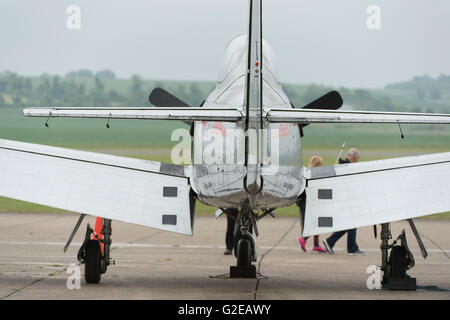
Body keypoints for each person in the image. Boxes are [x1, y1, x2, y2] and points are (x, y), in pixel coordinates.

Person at [322, 148, 365, 256]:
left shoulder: (342, 165)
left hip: (344, 200)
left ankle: (331, 242)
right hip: (346, 200)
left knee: (350, 225)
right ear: (354, 157)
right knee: (352, 224)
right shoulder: (348, 167)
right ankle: (351, 248)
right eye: (357, 158)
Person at [297, 156, 326, 253]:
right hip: (313, 203)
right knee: (316, 224)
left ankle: (316, 245)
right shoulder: (315, 175)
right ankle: (304, 239)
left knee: (317, 224)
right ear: (318, 165)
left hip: (310, 203)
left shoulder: (308, 173)